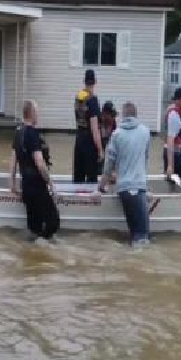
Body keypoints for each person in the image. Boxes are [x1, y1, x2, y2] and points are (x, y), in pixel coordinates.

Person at [97, 102, 151, 246]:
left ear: (123, 116)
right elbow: (145, 159)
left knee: (134, 234)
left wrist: (101, 186)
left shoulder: (116, 134)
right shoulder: (145, 132)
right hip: (139, 187)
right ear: (136, 115)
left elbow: (109, 165)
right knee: (142, 236)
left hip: (123, 189)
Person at [9, 100, 60, 241]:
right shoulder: (32, 134)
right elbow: (40, 163)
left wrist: (12, 185)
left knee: (34, 228)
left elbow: (12, 163)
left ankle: (33, 248)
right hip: (37, 186)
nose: (38, 115)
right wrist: (51, 184)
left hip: (26, 186)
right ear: (32, 114)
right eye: (37, 112)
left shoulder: (18, 133)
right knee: (53, 222)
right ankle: (44, 244)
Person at [73, 69, 104, 184]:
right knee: (91, 178)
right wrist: (100, 149)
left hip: (79, 139)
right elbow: (94, 129)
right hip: (89, 142)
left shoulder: (78, 97)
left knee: (78, 176)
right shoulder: (93, 100)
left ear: (84, 81)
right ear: (95, 81)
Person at [98, 101, 118, 176]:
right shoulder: (98, 122)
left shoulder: (113, 122)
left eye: (113, 116)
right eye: (111, 115)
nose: (113, 118)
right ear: (104, 114)